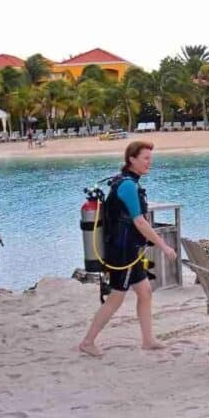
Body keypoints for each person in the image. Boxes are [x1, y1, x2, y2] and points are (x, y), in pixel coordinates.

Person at [79, 141, 176, 356]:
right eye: (146, 158)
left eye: (150, 158)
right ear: (132, 159)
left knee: (145, 292)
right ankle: (88, 341)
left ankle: (148, 340)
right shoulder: (128, 185)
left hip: (128, 249)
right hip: (121, 251)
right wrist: (164, 247)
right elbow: (139, 221)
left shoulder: (126, 181)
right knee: (116, 297)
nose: (149, 163)